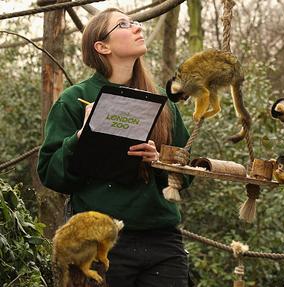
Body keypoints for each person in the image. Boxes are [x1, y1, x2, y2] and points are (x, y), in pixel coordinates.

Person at [37, 8, 192, 287]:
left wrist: (158, 162)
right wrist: (80, 138)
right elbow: (50, 174)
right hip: (98, 241)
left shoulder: (164, 104)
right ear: (102, 46)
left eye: (134, 22)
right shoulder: (75, 100)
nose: (136, 28)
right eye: (123, 24)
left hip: (162, 241)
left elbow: (186, 175)